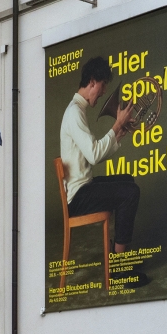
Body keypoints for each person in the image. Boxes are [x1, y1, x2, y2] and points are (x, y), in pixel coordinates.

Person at [60, 57, 139, 255]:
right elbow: (95, 155)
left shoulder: (78, 110)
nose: (104, 92)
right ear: (93, 81)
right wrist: (116, 125)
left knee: (128, 181)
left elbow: (93, 152)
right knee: (130, 192)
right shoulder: (74, 113)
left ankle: (115, 252)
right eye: (103, 85)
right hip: (78, 198)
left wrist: (118, 135)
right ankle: (119, 263)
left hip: (84, 188)